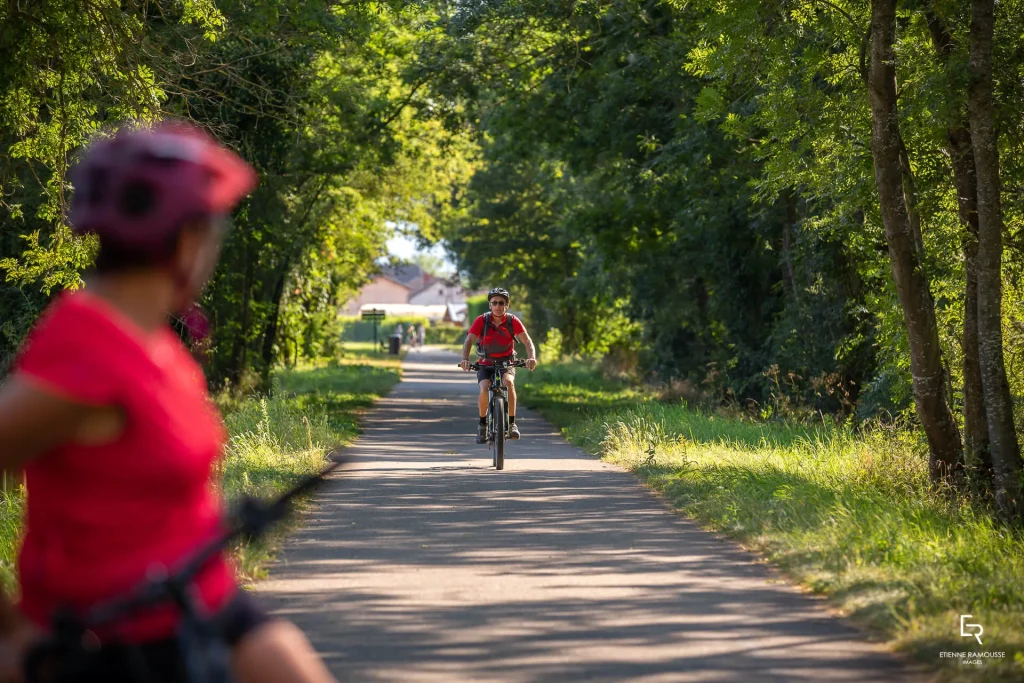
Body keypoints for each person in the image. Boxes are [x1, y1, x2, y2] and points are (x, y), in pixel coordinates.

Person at [0, 122, 336, 683]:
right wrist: (10, 631)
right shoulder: (89, 353)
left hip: (202, 604)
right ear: (186, 240)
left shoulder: (151, 338)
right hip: (117, 641)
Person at [459, 288, 537, 443]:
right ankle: (482, 425)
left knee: (508, 383)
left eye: (501, 303)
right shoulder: (482, 320)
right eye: (494, 303)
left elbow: (527, 341)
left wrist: (532, 357)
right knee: (484, 387)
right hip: (485, 363)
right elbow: (469, 341)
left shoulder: (512, 321)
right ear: (490, 305)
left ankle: (512, 424)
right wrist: (465, 359)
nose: (498, 306)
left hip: (506, 362)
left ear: (506, 305)